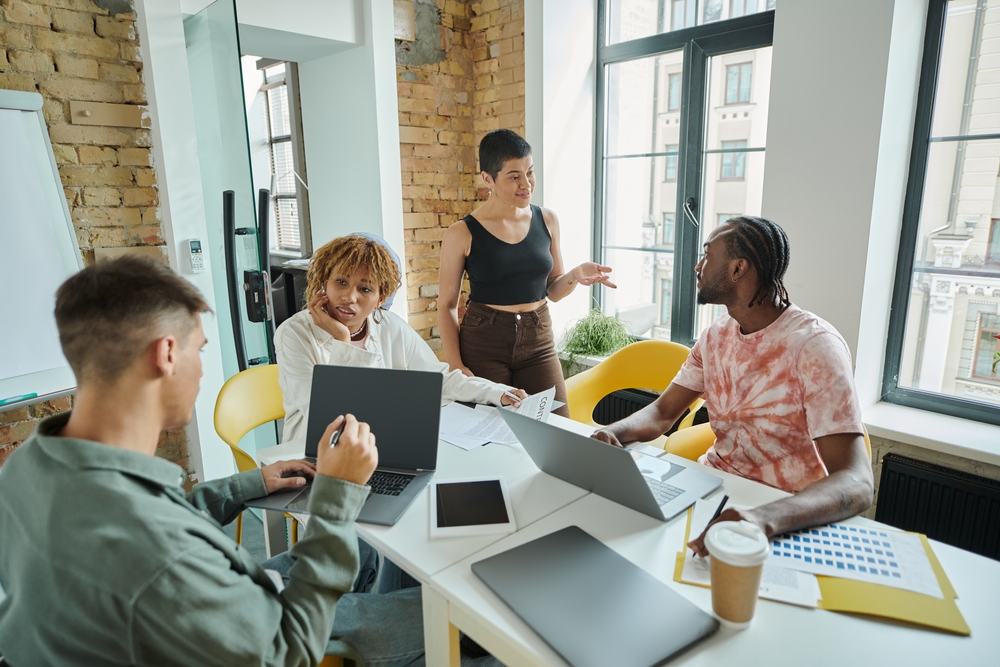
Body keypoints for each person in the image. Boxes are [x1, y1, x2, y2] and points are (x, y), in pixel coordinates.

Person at [0, 256, 426, 666]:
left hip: (177, 614)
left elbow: (158, 518)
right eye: (199, 351)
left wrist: (250, 483)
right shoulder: (160, 557)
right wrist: (336, 495)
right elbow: (286, 650)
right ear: (166, 354)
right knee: (444, 619)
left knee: (364, 553)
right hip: (271, 634)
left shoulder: (28, 465)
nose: (201, 371)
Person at [591, 216, 874, 556]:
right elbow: (663, 413)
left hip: (782, 512)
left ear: (738, 268)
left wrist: (762, 518)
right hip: (713, 492)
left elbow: (857, 483)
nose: (697, 266)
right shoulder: (715, 336)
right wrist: (612, 433)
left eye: (708, 255)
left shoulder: (815, 346)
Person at [275, 234, 525, 447]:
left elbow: (437, 380)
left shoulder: (389, 326)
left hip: (381, 445)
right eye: (341, 281)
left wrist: (498, 392)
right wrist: (342, 341)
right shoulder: (294, 334)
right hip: (317, 453)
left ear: (381, 298)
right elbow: (333, 417)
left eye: (365, 289)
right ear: (324, 284)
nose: (349, 297)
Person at [438, 129, 616, 418]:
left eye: (530, 172)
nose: (526, 184)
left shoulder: (547, 220)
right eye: (513, 176)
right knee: (493, 430)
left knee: (558, 425)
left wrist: (575, 274)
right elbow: (446, 305)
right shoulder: (462, 232)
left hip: (539, 339)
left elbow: (554, 291)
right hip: (484, 341)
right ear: (488, 179)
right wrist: (456, 365)